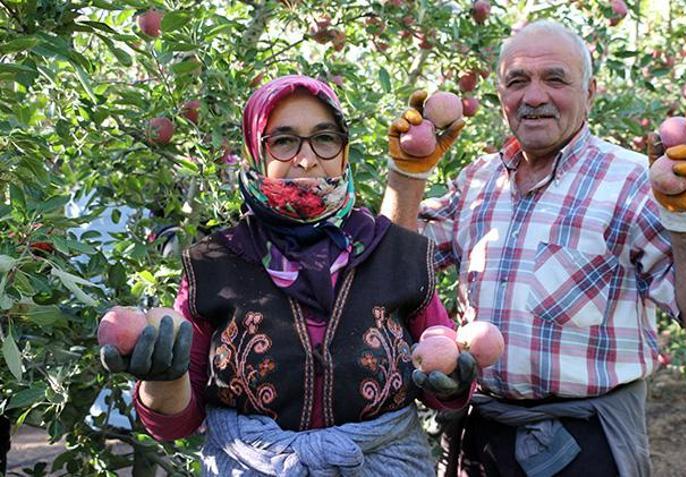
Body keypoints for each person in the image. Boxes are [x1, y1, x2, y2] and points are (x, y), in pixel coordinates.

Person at [381, 20, 686, 477]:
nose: (534, 96)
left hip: (588, 440)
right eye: (517, 81)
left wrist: (685, 220)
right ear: (501, 95)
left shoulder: (633, 182)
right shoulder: (478, 181)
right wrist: (407, 175)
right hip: (481, 432)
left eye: (555, 79)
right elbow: (394, 275)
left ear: (591, 91)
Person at [99, 75, 476, 476]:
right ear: (255, 152)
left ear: (344, 151)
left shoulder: (396, 252)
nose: (307, 158)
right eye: (283, 140)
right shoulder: (214, 263)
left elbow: (445, 383)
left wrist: (451, 382)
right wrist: (162, 379)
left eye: (325, 138)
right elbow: (176, 423)